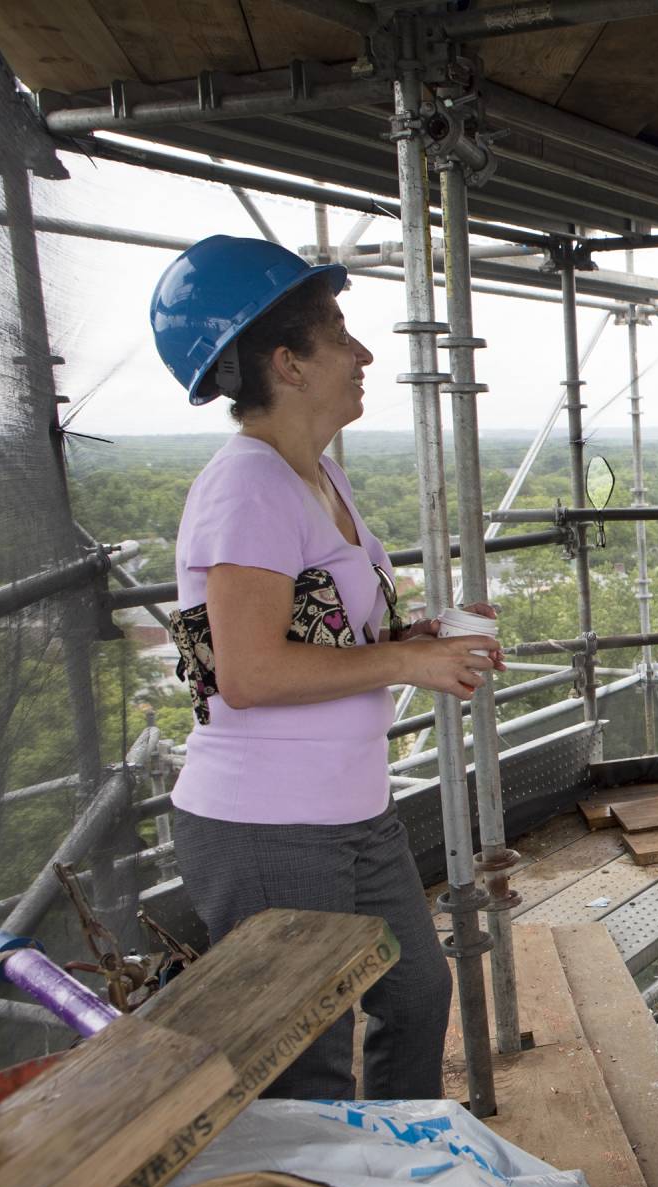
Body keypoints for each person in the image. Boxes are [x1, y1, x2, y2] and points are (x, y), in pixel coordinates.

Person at [151, 235, 501, 1100]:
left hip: (350, 810)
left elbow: (324, 636)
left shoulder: (315, 478)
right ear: (289, 363)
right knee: (307, 1057)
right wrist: (408, 659)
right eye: (340, 335)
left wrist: (416, 636)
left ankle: (396, 1161)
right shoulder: (248, 485)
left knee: (415, 994)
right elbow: (250, 674)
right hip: (269, 823)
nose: (364, 354)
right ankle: (345, 1183)